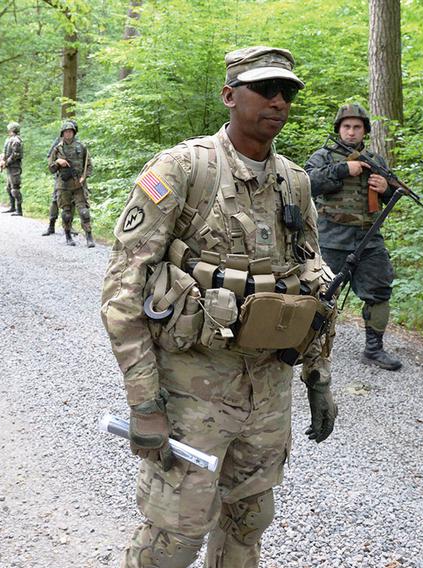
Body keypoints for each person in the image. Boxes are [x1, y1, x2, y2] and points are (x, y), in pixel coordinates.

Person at [100, 46, 338, 568]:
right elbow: (122, 289)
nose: (279, 100)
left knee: (249, 524)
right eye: (265, 89)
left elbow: (314, 287)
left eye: (288, 92)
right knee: (175, 538)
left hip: (267, 390)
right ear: (230, 95)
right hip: (192, 391)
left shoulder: (294, 182)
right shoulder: (183, 170)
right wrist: (143, 401)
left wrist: (318, 377)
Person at [304, 103, 402, 371]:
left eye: (356, 127)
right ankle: (304, 344)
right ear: (339, 129)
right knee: (319, 292)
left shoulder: (375, 160)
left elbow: (393, 194)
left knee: (380, 290)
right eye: (346, 127)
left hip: (369, 239)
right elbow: (306, 183)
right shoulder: (323, 156)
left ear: (364, 131)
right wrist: (343, 170)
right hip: (331, 239)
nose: (351, 132)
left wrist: (384, 189)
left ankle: (374, 349)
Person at [47, 120, 94, 247]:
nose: (68, 134)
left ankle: (89, 237)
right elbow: (51, 169)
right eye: (66, 132)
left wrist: (84, 177)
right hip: (63, 185)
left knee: (84, 211)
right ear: (62, 133)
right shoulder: (57, 149)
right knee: (66, 213)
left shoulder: (81, 147)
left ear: (74, 133)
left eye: (70, 131)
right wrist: (58, 162)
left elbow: (88, 165)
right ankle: (68, 236)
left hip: (78, 184)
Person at [0, 121, 23, 216]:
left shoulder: (16, 140)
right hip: (9, 167)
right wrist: (2, 159)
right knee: (9, 188)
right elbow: (6, 152)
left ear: (13, 129)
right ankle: (12, 207)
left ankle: (19, 210)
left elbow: (15, 155)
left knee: (15, 188)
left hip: (15, 167)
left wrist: (6, 162)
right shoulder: (9, 139)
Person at [41, 134, 62, 236]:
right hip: (60, 176)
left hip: (73, 178)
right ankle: (51, 225)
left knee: (71, 203)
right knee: (55, 200)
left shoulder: (77, 143)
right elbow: (50, 155)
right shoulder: (59, 140)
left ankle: (68, 226)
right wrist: (55, 165)